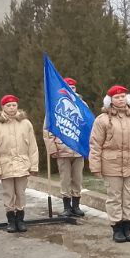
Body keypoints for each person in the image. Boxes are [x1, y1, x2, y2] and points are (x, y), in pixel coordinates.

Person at [88, 85, 130, 244]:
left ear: (127, 98)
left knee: (129, 197)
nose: (120, 99)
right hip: (111, 164)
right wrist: (95, 166)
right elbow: (95, 144)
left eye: (123, 96)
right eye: (117, 97)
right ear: (110, 100)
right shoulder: (102, 120)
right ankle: (117, 227)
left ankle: (127, 227)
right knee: (114, 197)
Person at [0, 94, 39, 233]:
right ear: (3, 107)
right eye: (8, 105)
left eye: (14, 105)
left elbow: (32, 147)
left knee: (20, 193)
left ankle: (20, 220)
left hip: (22, 164)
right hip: (5, 165)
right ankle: (11, 220)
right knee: (8, 194)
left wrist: (33, 166)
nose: (11, 108)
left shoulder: (26, 123)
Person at [46, 77, 86, 219]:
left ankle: (76, 206)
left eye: (73, 88)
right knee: (65, 179)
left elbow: (87, 127)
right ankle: (66, 207)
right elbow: (48, 130)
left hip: (78, 149)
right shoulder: (54, 105)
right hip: (62, 149)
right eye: (68, 87)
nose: (71, 90)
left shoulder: (82, 105)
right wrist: (52, 148)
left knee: (77, 179)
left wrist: (87, 146)